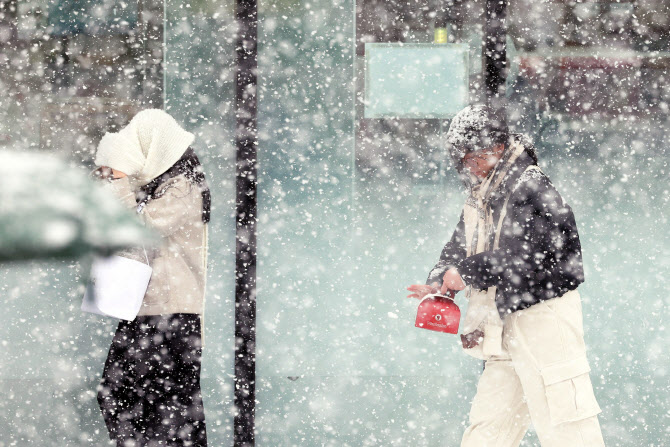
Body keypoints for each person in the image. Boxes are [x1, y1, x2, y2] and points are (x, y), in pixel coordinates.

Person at [407, 105, 605, 447]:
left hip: (543, 318)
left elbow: (538, 256)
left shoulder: (531, 186)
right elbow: (458, 244)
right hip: (499, 322)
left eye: (476, 157)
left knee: (567, 428)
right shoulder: (481, 194)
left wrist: (466, 272)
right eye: (464, 159)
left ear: (498, 148)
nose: (470, 166)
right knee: (489, 429)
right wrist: (441, 279)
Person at [93, 109, 210, 446]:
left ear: (156, 148)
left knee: (165, 409)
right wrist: (110, 180)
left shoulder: (181, 188)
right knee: (138, 401)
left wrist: (116, 181)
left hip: (171, 314)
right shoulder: (153, 187)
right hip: (147, 310)